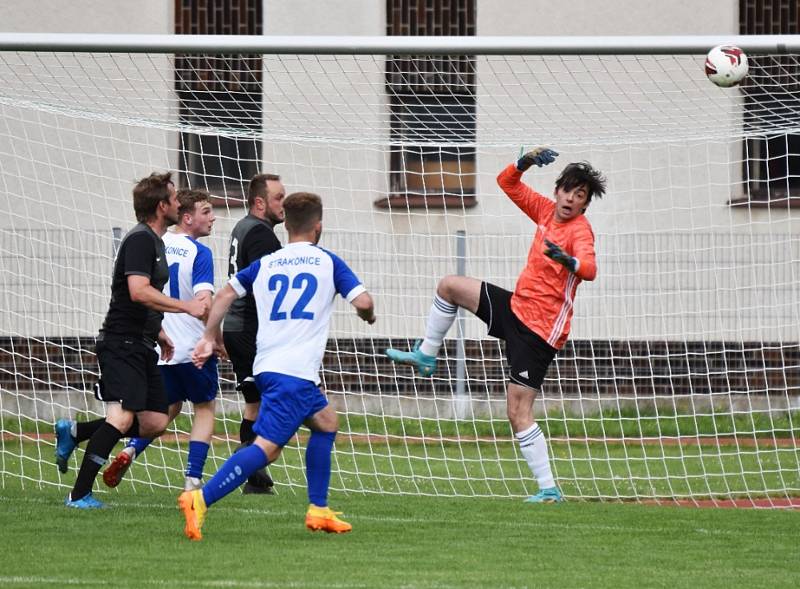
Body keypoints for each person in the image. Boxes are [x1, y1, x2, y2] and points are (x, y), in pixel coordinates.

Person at [385, 148, 606, 504]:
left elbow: (590, 269)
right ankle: (426, 355)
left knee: (517, 412)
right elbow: (507, 182)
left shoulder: (580, 229)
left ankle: (549, 489)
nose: (571, 198)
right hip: (516, 307)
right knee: (450, 286)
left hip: (539, 331)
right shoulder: (545, 211)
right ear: (557, 191)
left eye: (580, 195)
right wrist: (526, 161)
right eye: (568, 190)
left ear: (584, 205)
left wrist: (569, 260)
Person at [179, 191, 375, 540]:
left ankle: (318, 509)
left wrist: (210, 336)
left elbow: (224, 294)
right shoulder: (327, 261)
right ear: (318, 226)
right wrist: (368, 314)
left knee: (327, 422)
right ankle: (200, 498)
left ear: (287, 225)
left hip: (268, 364)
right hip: (294, 372)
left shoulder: (269, 262)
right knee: (266, 449)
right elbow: (363, 300)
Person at [54, 172, 208, 508]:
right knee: (121, 419)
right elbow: (138, 292)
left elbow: (144, 296)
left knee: (154, 421)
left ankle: (76, 433)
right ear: (161, 206)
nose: (179, 202)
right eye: (173, 197)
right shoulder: (140, 240)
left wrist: (160, 332)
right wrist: (187, 308)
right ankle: (78, 495)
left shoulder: (157, 242)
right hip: (120, 342)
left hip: (142, 342)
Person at [102, 188, 220, 492]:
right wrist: (216, 338)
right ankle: (193, 478)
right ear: (187, 217)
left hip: (160, 347)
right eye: (206, 212)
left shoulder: (155, 243)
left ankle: (130, 449)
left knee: (167, 408)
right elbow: (203, 304)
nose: (213, 218)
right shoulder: (200, 253)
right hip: (194, 346)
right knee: (205, 407)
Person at [223, 173, 285, 494]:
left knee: (255, 403)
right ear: (260, 202)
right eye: (278, 198)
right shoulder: (261, 235)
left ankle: (255, 479)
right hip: (250, 328)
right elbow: (266, 288)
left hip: (236, 326)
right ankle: (246, 462)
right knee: (275, 401)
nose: (283, 204)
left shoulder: (241, 227)